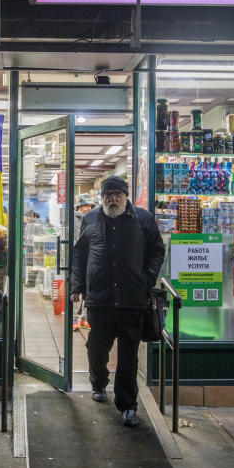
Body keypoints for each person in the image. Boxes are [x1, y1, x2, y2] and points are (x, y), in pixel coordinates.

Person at [70, 176, 165, 427]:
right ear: (101, 198)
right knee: (96, 349)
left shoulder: (143, 219)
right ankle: (98, 382)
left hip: (132, 300)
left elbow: (157, 250)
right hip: (99, 300)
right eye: (108, 194)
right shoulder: (91, 219)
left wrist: (147, 278)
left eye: (117, 194)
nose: (113, 198)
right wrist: (77, 286)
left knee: (128, 357)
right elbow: (79, 255)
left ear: (125, 196)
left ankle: (127, 405)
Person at [72, 193, 96, 331]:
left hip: (91, 258)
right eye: (85, 205)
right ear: (79, 206)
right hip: (78, 259)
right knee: (76, 289)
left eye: (89, 205)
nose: (87, 208)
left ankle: (85, 319)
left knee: (89, 289)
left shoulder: (94, 219)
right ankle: (74, 318)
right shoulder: (73, 219)